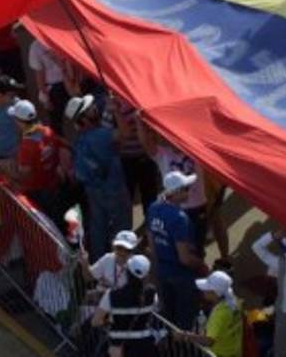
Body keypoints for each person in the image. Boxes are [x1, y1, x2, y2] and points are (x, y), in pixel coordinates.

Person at [66, 94, 131, 259]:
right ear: (84, 118)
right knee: (121, 228)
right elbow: (126, 133)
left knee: (98, 227)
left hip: (93, 189)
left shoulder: (80, 138)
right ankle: (122, 267)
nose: (95, 109)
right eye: (90, 109)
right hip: (114, 190)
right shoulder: (101, 135)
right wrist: (116, 112)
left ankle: (98, 262)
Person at [145, 170, 205, 330]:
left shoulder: (153, 208)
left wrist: (155, 273)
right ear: (176, 192)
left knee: (168, 320)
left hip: (162, 273)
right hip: (181, 276)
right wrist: (201, 265)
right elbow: (184, 258)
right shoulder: (179, 218)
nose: (189, 191)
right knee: (184, 323)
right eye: (185, 188)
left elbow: (151, 245)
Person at [92, 253, 162, 354]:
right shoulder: (152, 293)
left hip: (118, 347)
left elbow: (95, 321)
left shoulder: (112, 295)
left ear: (127, 271)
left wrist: (109, 320)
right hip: (145, 347)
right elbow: (154, 312)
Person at [185, 271, 244, 356]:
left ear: (214, 293)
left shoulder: (219, 314)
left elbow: (209, 341)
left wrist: (187, 336)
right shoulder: (235, 301)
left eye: (207, 289)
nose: (203, 291)